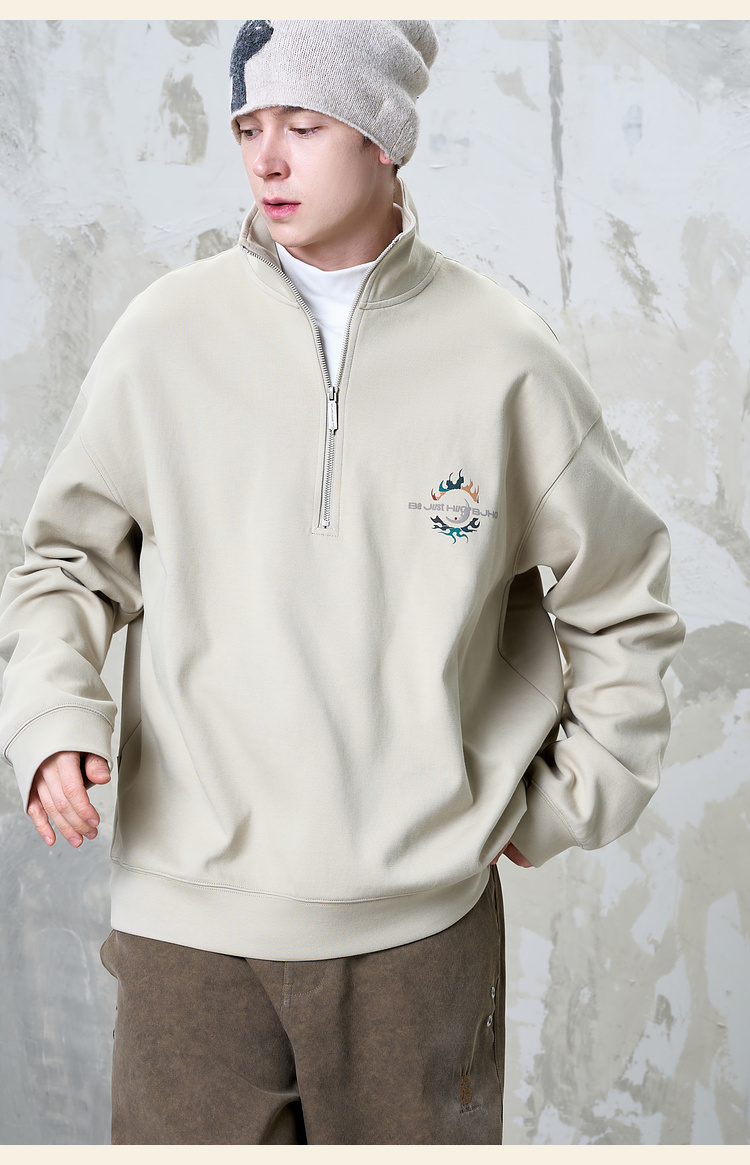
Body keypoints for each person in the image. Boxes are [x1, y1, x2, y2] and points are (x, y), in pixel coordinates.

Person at [0, 19, 685, 1146]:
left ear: (383, 138)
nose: (267, 160)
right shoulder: (164, 337)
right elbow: (66, 563)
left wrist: (574, 795)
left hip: (419, 938)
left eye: (303, 126)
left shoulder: (506, 357)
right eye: (248, 128)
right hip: (190, 932)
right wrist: (51, 718)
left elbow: (625, 601)